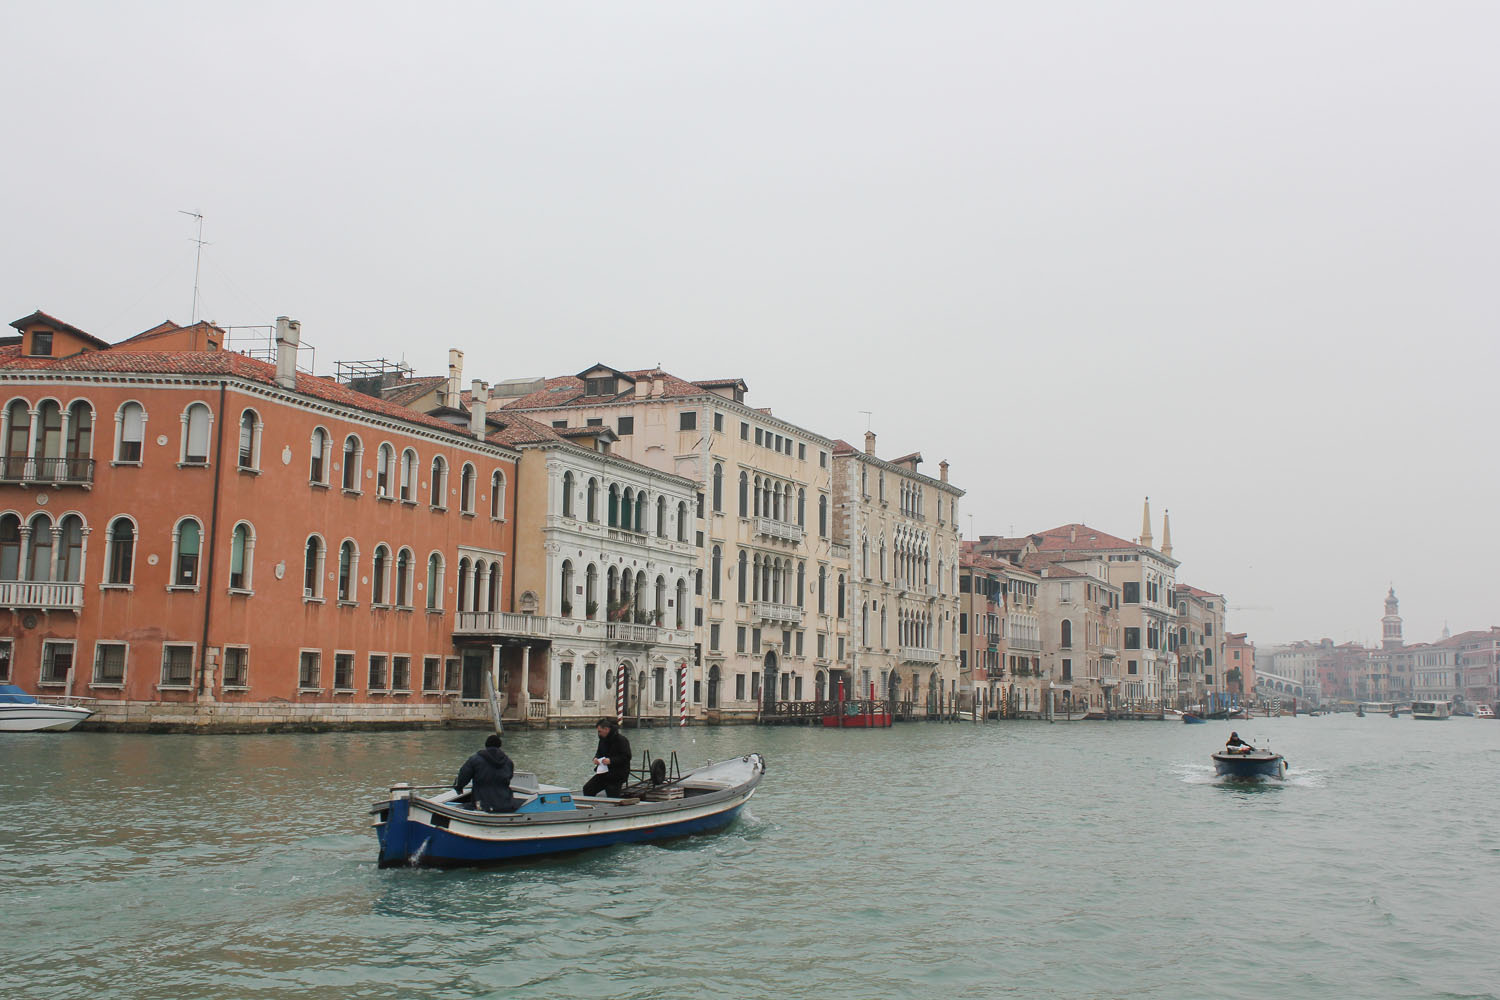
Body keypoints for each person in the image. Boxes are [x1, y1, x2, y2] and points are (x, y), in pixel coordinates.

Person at [453, 733, 516, 812]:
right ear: (500, 745)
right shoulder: (509, 762)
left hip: (482, 803)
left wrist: (458, 787)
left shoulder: (475, 759)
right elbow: (509, 777)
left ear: (486, 745)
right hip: (505, 804)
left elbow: (463, 776)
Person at [583, 716, 632, 798]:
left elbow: (627, 757)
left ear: (606, 729)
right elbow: (599, 752)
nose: (599, 734)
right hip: (604, 773)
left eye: (600, 731)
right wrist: (596, 758)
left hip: (617, 774)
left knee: (611, 793)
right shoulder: (602, 739)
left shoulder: (622, 740)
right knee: (587, 788)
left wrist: (611, 761)